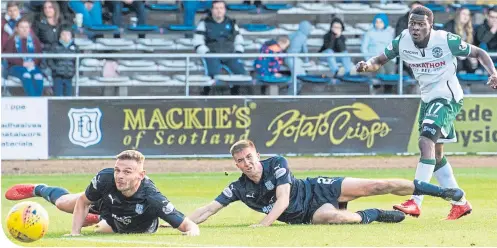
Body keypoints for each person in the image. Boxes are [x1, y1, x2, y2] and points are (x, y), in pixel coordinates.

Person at [355, 6, 497, 220]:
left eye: (421, 24)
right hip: (428, 99)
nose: (416, 28)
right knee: (437, 155)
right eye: (413, 23)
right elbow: (379, 60)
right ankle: (460, 202)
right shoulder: (402, 40)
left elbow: (479, 52)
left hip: (447, 97)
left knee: (425, 142)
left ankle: (415, 200)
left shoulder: (445, 40)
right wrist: (367, 65)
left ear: (431, 25)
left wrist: (493, 73)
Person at [181, 140, 465, 227]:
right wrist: (179, 222)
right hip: (305, 214)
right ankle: (376, 215)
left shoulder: (276, 162)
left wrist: (263, 225)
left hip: (317, 188)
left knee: (377, 184)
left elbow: (281, 200)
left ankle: (443, 192)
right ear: (236, 165)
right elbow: (208, 210)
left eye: (250, 157)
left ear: (257, 154)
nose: (248, 163)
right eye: (241, 161)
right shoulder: (238, 188)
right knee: (336, 218)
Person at [5, 150, 200, 236]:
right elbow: (82, 200)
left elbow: (189, 225)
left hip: (126, 224)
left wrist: (192, 233)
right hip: (108, 202)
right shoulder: (105, 179)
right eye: (117, 170)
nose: (120, 176)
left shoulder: (152, 197)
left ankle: (95, 217)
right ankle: (38, 188)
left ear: (141, 175)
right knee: (63, 204)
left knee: (100, 228)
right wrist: (75, 233)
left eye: (127, 172)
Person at [193, 0, 247, 95]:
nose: (219, 11)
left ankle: (235, 93)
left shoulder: (231, 23)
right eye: (216, 8)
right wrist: (206, 53)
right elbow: (198, 41)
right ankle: (206, 93)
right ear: (212, 10)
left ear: (225, 10)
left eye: (221, 8)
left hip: (230, 54)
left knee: (241, 72)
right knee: (213, 73)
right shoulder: (204, 23)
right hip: (212, 54)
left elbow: (239, 39)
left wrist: (238, 52)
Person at [3, 17, 45, 97]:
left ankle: (37, 99)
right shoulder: (11, 40)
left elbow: (39, 54)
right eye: (22, 27)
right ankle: (33, 100)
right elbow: (8, 56)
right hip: (15, 67)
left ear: (29, 29)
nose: (24, 29)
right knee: (26, 75)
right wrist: (22, 63)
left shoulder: (34, 40)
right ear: (17, 29)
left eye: (26, 27)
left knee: (38, 76)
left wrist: (33, 62)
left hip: (32, 65)